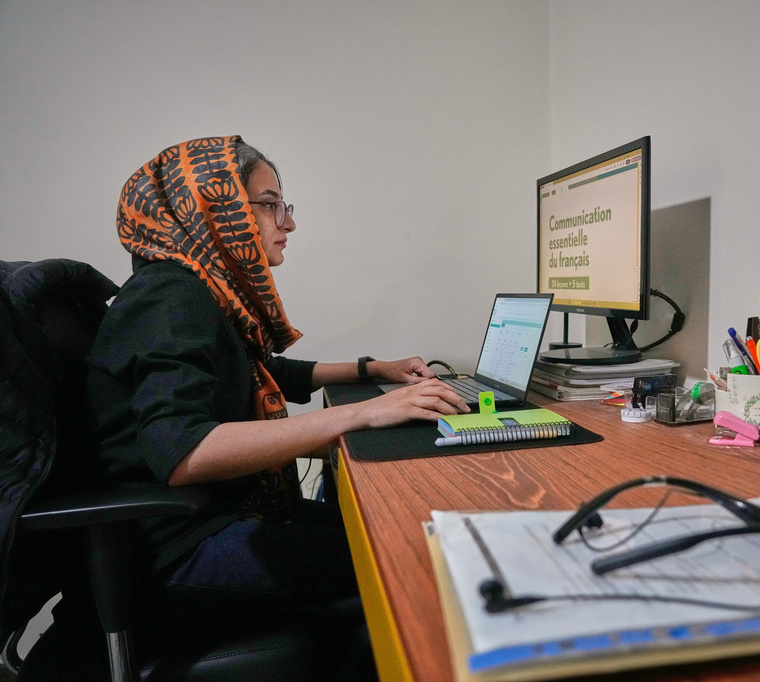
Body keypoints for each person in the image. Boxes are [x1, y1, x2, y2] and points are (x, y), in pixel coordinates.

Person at [81, 135, 469, 666]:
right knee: (408, 559)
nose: (287, 222)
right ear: (217, 210)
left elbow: (265, 373)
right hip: (180, 547)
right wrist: (362, 413)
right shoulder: (171, 298)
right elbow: (183, 450)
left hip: (215, 514)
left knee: (396, 527)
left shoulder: (203, 290)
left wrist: (373, 370)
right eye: (270, 204)